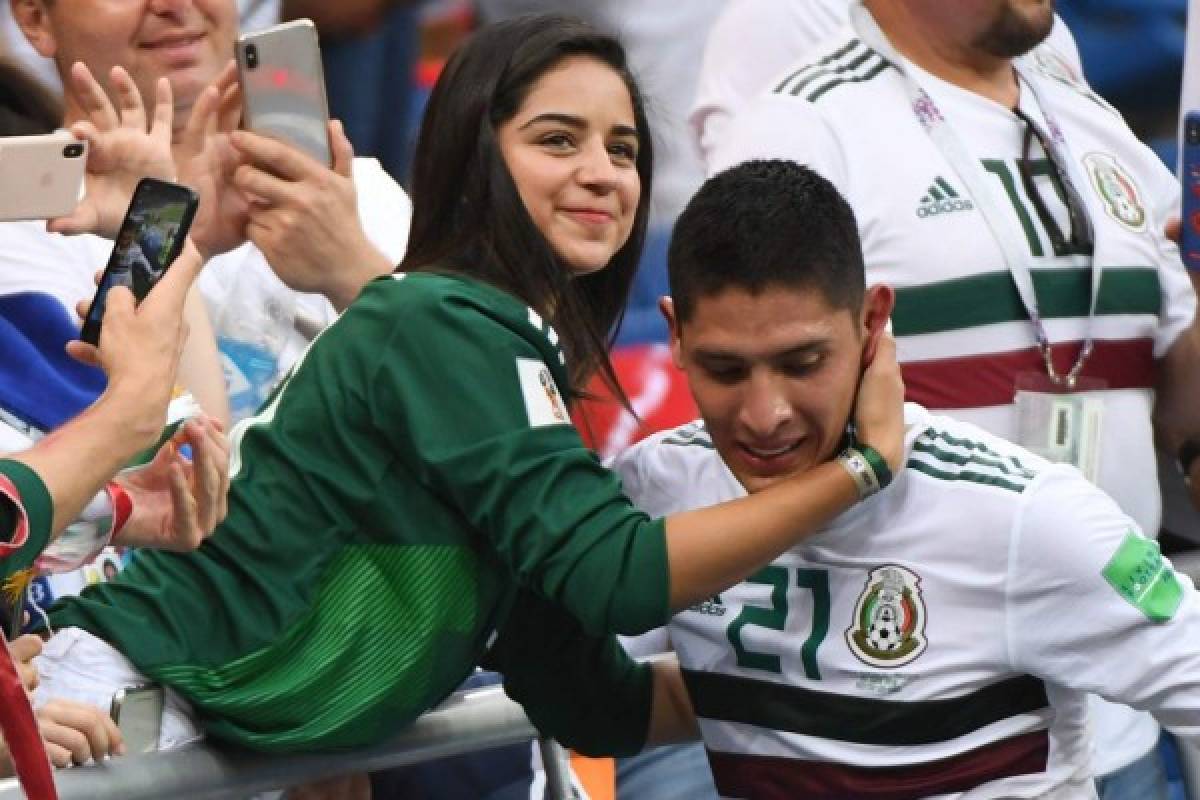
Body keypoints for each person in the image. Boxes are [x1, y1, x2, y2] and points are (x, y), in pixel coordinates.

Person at [31, 15, 904, 769]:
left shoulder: (491, 338)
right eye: (558, 140)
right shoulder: (447, 321)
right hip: (120, 711)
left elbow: (586, 695)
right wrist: (858, 471)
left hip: (199, 725)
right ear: (476, 156)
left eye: (624, 148)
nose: (603, 171)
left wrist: (838, 684)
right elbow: (620, 578)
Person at [500, 158, 1200, 799]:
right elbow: (579, 702)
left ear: (872, 322)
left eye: (803, 363)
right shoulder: (654, 491)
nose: (765, 414)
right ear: (675, 336)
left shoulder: (1023, 515)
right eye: (725, 369)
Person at [705, 1, 1200, 793]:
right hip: (933, 735)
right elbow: (753, 426)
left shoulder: (1088, 116)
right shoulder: (803, 127)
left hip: (1125, 713)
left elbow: (1186, 413)